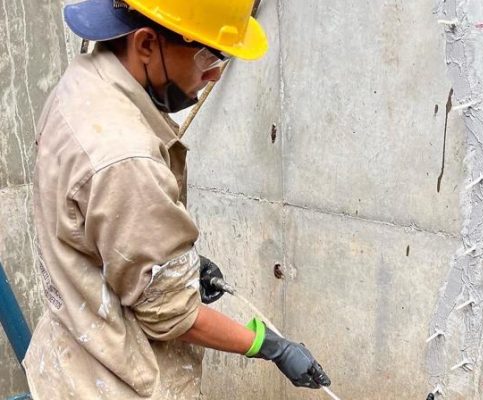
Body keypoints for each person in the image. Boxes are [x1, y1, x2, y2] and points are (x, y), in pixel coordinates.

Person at [22, 0, 330, 398]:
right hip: (112, 384)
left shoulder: (83, 83)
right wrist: (272, 346)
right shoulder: (125, 156)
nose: (215, 72)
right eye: (207, 55)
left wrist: (177, 265)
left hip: (70, 362)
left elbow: (100, 229)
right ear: (146, 43)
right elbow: (174, 315)